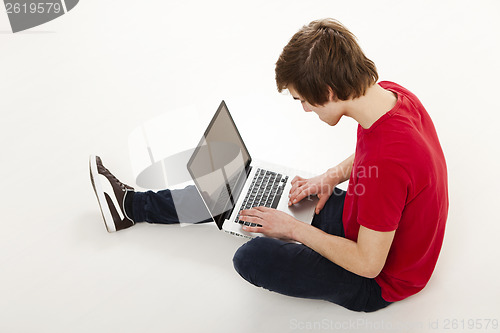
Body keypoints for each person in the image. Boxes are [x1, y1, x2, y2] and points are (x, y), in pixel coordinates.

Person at [89, 18, 448, 312]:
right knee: (243, 189)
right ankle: (130, 207)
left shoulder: (388, 163)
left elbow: (369, 264)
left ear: (327, 92)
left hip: (379, 280)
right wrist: (328, 178)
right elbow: (375, 157)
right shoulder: (389, 96)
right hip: (372, 226)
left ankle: (144, 209)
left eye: (303, 101)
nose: (305, 110)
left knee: (253, 258)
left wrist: (295, 231)